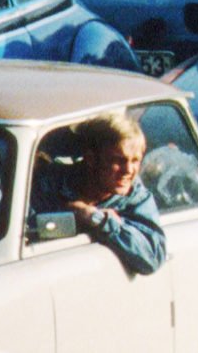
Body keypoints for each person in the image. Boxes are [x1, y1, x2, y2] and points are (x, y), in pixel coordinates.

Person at [38, 112, 165, 276]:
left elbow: (152, 257)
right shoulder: (50, 184)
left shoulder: (136, 199)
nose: (128, 170)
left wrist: (98, 219)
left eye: (135, 161)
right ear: (91, 159)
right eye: (118, 160)